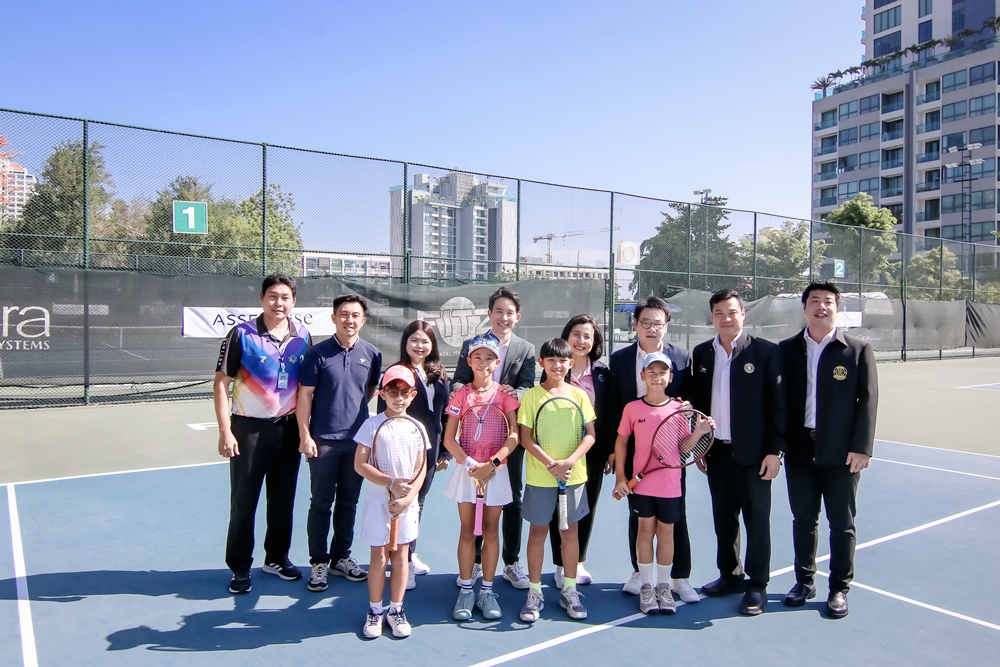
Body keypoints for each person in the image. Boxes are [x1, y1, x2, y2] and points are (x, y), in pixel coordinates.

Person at [779, 280, 877, 619]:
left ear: (837, 307)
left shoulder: (857, 350)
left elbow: (868, 401)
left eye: (828, 301)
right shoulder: (787, 349)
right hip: (799, 450)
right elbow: (779, 403)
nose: (822, 306)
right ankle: (804, 582)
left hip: (841, 453)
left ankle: (839, 588)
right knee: (803, 519)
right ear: (804, 307)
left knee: (842, 522)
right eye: (815, 301)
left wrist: (862, 447)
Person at [214, 273, 312, 595]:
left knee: (283, 501)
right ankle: (240, 567)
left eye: (285, 297)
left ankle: (277, 558)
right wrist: (226, 431)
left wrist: (303, 431)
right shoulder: (240, 334)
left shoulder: (303, 337)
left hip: (286, 431)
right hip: (248, 430)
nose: (278, 302)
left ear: (293, 302)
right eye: (272, 296)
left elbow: (305, 390)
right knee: (244, 501)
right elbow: (220, 383)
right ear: (261, 298)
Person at [691, 288, 786, 616]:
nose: (726, 318)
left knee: (757, 522)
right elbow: (698, 407)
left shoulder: (765, 352)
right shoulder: (702, 354)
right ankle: (730, 575)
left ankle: (757, 585)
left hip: (756, 456)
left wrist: (775, 452)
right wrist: (701, 446)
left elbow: (778, 407)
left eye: (732, 312)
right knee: (724, 520)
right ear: (712, 317)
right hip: (717, 453)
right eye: (719, 313)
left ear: (743, 314)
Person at [607, 296, 699, 604]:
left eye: (657, 323)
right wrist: (614, 452)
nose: (651, 328)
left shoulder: (683, 358)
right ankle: (641, 574)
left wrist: (691, 414)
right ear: (635, 325)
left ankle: (678, 577)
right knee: (640, 518)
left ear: (666, 326)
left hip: (672, 451)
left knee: (674, 517)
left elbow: (688, 406)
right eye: (644, 322)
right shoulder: (619, 359)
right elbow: (613, 409)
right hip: (634, 445)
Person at [614, 353, 715, 615]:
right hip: (642, 486)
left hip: (670, 485)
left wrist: (700, 432)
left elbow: (683, 446)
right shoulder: (632, 409)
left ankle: (663, 586)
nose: (657, 378)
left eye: (662, 373)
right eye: (651, 372)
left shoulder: (679, 410)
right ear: (642, 376)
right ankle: (646, 586)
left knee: (667, 534)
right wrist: (621, 477)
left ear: (670, 377)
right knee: (645, 531)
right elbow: (622, 442)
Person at [451, 286, 536, 589]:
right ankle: (474, 562)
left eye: (509, 312)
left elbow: (528, 385)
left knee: (511, 498)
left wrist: (516, 393)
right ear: (489, 314)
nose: (503, 317)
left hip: (507, 440)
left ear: (517, 317)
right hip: (474, 441)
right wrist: (464, 396)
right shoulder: (470, 345)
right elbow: (459, 379)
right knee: (474, 501)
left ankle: (511, 563)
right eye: (498, 311)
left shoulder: (525, 349)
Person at [297, 294, 382, 592]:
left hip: (356, 444)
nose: (349, 319)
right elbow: (304, 395)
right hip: (322, 443)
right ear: (333, 318)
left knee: (349, 502)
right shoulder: (317, 353)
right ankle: (318, 561)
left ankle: (341, 557)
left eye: (355, 315)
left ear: (363, 320)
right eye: (343, 314)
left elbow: (370, 390)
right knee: (321, 503)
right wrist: (305, 435)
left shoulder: (372, 354)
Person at [516, 338, 597, 622]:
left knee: (570, 534)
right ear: (541, 363)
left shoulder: (580, 396)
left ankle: (570, 589)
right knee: (537, 534)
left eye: (563, 361)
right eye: (551, 360)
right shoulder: (531, 397)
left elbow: (590, 435)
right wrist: (551, 464)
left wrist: (569, 462)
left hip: (573, 478)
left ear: (571, 363)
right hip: (541, 479)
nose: (557, 365)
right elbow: (526, 438)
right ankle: (535, 591)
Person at [441, 333, 520, 622]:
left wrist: (494, 463)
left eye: (489, 358)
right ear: (469, 361)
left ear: (497, 362)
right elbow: (449, 439)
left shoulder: (505, 396)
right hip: (469, 470)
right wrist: (472, 464)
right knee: (466, 531)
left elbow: (513, 435)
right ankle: (465, 589)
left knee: (490, 531)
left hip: (495, 472)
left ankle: (487, 590)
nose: (483, 362)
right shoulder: (461, 395)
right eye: (478, 357)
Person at [353, 364, 428, 639]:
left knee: (401, 556)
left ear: (412, 395)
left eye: (404, 392)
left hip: (406, 507)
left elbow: (421, 470)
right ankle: (375, 611)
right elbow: (360, 464)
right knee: (378, 557)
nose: (399, 397)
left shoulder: (417, 428)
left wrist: (407, 498)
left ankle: (396, 610)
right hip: (377, 504)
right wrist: (391, 484)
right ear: (382, 394)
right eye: (393, 391)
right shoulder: (371, 425)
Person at [377, 320, 452, 590]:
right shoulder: (396, 372)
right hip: (404, 447)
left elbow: (445, 413)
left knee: (418, 502)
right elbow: (382, 412)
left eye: (425, 341)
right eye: (414, 340)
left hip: (430, 447)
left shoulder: (440, 374)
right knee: (402, 501)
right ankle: (400, 559)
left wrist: (444, 450)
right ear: (405, 343)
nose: (419, 346)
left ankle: (409, 551)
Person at [545, 314, 610, 589]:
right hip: (558, 451)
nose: (581, 341)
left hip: (592, 452)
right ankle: (560, 564)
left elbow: (610, 413)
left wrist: (609, 451)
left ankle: (578, 561)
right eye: (576, 334)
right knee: (557, 509)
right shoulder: (558, 369)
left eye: (587, 336)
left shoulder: (603, 374)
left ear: (594, 341)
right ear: (566, 336)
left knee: (586, 507)